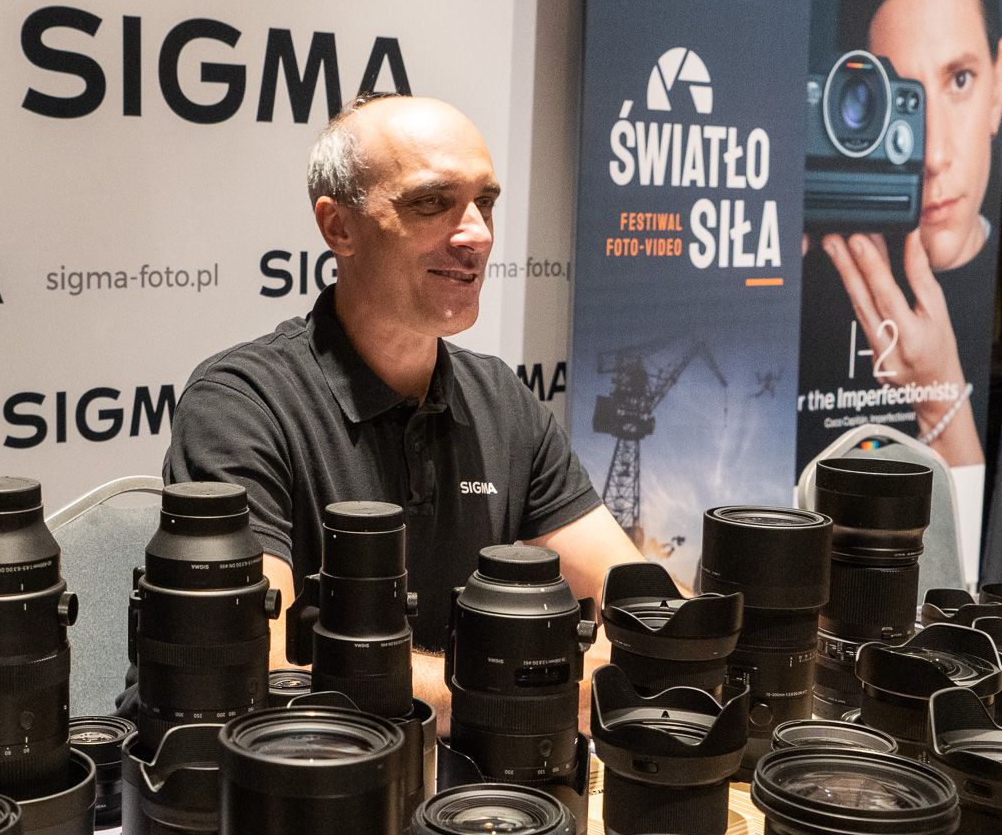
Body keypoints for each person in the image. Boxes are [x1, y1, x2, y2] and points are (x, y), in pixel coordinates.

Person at [164, 92, 643, 733]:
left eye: (485, 202)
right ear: (338, 227)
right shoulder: (239, 405)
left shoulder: (502, 399)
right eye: (432, 203)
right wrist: (530, 693)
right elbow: (256, 671)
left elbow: (642, 606)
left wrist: (640, 657)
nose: (477, 234)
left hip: (467, 778)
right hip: (303, 780)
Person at [807, 0, 1002, 468]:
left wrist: (938, 395)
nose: (934, 155)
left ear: (999, 83)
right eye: (903, 100)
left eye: (960, 79)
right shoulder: (810, 286)